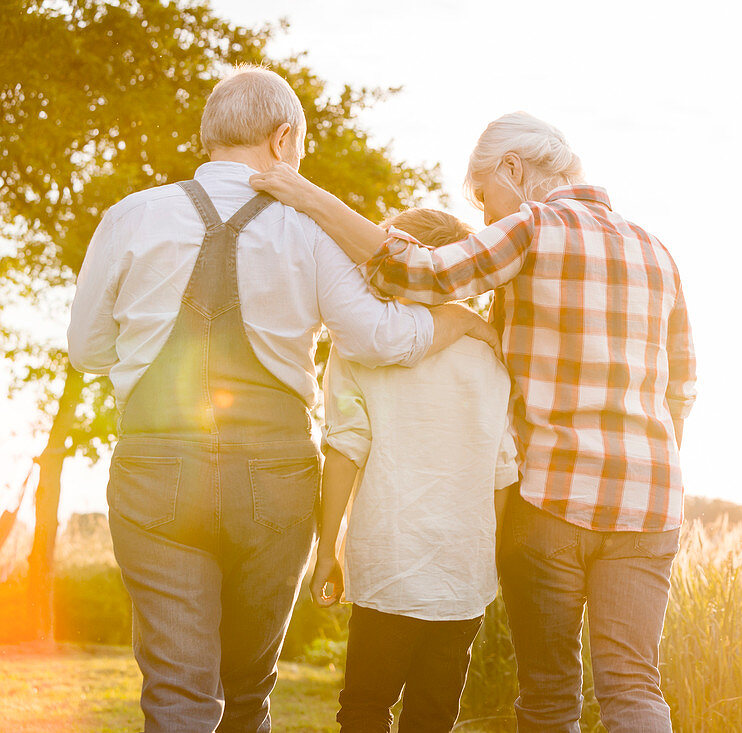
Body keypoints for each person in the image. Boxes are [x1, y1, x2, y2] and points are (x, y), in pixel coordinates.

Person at [66, 66, 494, 733]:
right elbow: (378, 337)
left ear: (210, 136)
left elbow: (88, 348)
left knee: (178, 694)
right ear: (283, 138)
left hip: (153, 476)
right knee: (245, 695)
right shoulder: (309, 230)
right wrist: (456, 321)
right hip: (273, 482)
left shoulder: (129, 217)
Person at [250, 111, 697, 733]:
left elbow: (419, 273)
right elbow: (682, 388)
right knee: (634, 688)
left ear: (513, 170)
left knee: (550, 693)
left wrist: (307, 195)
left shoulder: (532, 228)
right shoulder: (657, 250)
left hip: (553, 498)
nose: (489, 219)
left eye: (486, 197)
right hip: (650, 504)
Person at [310, 207, 519, 733]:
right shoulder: (490, 355)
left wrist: (326, 550)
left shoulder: (360, 347)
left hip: (389, 561)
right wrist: (484, 559)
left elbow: (343, 451)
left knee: (364, 706)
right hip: (462, 573)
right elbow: (502, 472)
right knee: (433, 715)